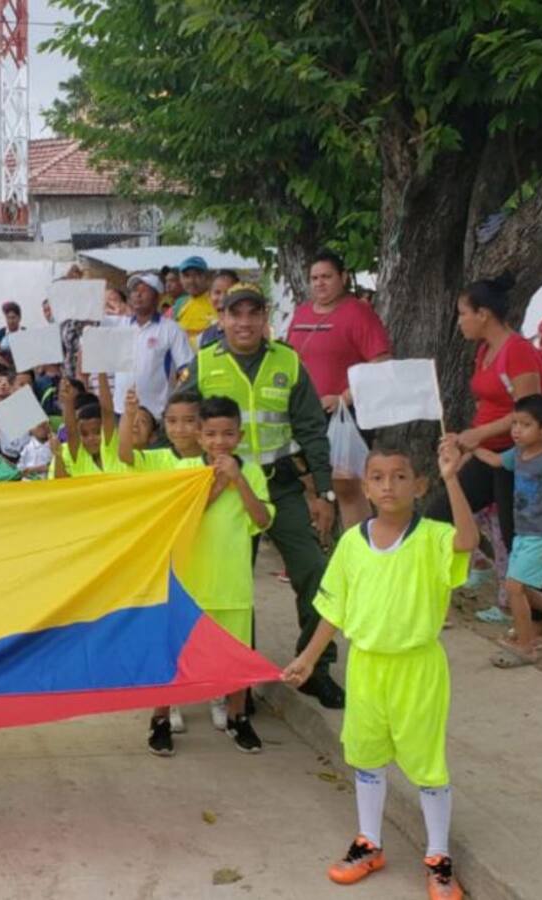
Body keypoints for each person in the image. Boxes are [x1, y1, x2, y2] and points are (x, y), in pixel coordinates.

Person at [282, 440, 477, 900]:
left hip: (417, 668)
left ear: (419, 484)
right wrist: (308, 659)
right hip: (367, 667)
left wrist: (453, 477)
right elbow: (334, 611)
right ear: (365, 488)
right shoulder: (351, 543)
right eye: (378, 477)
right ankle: (369, 843)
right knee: (367, 757)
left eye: (400, 476)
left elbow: (468, 541)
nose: (389, 485)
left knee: (427, 764)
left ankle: (438, 857)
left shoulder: (432, 537)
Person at [184, 282, 345, 708]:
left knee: (315, 570)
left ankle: (315, 666)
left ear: (264, 318)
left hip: (282, 485)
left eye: (253, 314)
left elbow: (312, 428)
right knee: (234, 584)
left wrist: (325, 494)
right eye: (235, 314)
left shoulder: (288, 362)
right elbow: (179, 424)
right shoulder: (203, 364)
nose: (244, 322)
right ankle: (238, 678)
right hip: (228, 489)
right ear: (222, 320)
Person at [144, 396, 273, 757]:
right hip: (187, 582)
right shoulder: (184, 472)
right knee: (173, 655)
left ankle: (237, 717)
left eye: (228, 434)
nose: (220, 441)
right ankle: (160, 718)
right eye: (211, 434)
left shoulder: (252, 471)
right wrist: (216, 484)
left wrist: (239, 482)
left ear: (240, 435)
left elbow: (262, 520)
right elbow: (182, 519)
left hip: (231, 583)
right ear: (199, 436)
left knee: (235, 657)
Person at [428, 275, 542, 552]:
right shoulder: (484, 351)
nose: (459, 321)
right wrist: (467, 443)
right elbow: (488, 407)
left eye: (463, 314)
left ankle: (527, 595)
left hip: (515, 460)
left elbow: (530, 412)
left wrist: (478, 434)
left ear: (483, 314)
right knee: (436, 517)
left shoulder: (518, 350)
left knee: (519, 545)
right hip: (484, 456)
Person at [470, 394, 542, 666]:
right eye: (515, 424)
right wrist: (469, 446)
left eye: (525, 425)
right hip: (523, 533)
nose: (517, 430)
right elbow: (496, 461)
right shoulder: (517, 454)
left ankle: (526, 645)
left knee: (514, 587)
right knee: (521, 588)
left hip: (541, 535)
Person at [286, 250, 392, 527]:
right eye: (314, 278)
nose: (320, 283)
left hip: (346, 413)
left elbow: (380, 362)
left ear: (343, 277)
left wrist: (345, 397)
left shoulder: (358, 313)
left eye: (327, 277)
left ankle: (359, 553)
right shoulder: (302, 312)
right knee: (308, 482)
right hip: (304, 414)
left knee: (347, 485)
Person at [113, 273, 192, 420]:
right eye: (135, 290)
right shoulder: (119, 326)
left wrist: (177, 398)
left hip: (156, 414)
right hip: (121, 411)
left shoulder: (171, 329)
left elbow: (186, 369)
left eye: (144, 290)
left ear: (158, 297)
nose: (138, 294)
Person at [171, 256, 216, 349]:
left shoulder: (217, 301)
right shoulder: (179, 304)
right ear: (181, 279)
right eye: (187, 276)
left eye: (197, 275)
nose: (191, 281)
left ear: (207, 278)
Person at [197, 270, 239, 349]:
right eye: (217, 292)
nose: (223, 298)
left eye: (228, 292)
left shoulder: (246, 331)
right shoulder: (205, 335)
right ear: (209, 297)